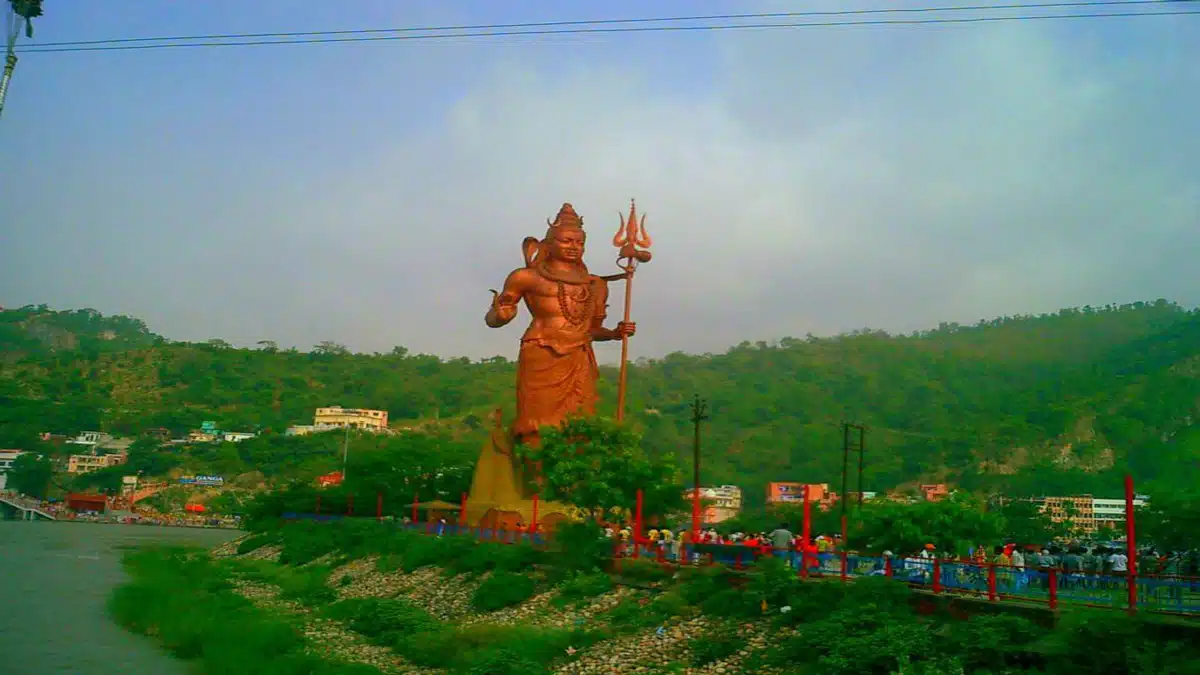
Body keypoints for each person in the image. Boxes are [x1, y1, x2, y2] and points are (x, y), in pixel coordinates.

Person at [485, 203, 636, 449]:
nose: (573, 248)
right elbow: (496, 317)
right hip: (542, 351)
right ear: (548, 244)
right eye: (566, 241)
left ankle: (571, 478)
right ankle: (533, 477)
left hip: (579, 356)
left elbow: (592, 329)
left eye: (579, 243)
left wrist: (615, 334)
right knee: (535, 425)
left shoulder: (595, 284)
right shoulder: (526, 277)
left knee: (579, 426)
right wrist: (500, 314)